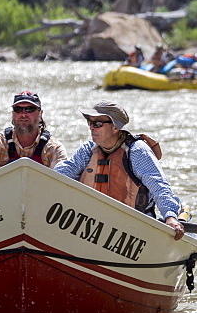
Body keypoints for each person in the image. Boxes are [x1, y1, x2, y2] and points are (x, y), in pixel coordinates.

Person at [54, 101, 187, 240]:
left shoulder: (137, 151)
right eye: (89, 122)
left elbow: (159, 186)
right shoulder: (88, 149)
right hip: (91, 226)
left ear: (115, 128)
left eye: (98, 124)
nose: (92, 128)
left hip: (132, 231)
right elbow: (63, 173)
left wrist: (170, 217)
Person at [0, 91, 66, 180]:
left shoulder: (54, 148)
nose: (23, 114)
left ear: (40, 114)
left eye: (29, 109)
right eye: (18, 109)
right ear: (12, 114)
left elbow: (61, 180)